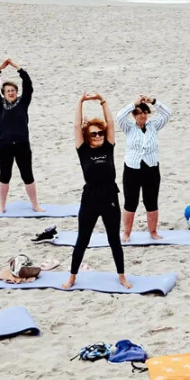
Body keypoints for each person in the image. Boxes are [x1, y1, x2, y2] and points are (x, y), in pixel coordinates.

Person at [62, 93, 131, 290]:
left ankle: (122, 276)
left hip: (110, 196)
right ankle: (73, 277)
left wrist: (102, 101)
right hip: (90, 198)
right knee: (82, 238)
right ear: (88, 136)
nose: (99, 136)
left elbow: (110, 122)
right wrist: (80, 102)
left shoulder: (108, 147)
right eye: (94, 134)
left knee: (113, 239)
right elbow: (76, 126)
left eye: (100, 132)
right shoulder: (83, 150)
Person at [0, 58, 42, 213]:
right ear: (4, 94)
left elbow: (29, 85)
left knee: (27, 175)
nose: (11, 93)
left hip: (22, 144)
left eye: (13, 90)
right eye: (8, 91)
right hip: (4, 145)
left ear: (16, 92)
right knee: (5, 175)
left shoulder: (23, 102)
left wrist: (18, 68)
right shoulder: (0, 104)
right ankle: (2, 206)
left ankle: (35, 205)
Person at [116, 95, 171, 242]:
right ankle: (127, 233)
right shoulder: (128, 127)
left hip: (151, 168)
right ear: (134, 115)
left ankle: (153, 231)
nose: (143, 115)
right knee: (130, 201)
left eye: (145, 112)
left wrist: (153, 101)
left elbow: (167, 113)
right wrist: (133, 104)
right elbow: (119, 116)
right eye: (139, 113)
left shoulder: (154, 125)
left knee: (151, 200)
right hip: (132, 168)